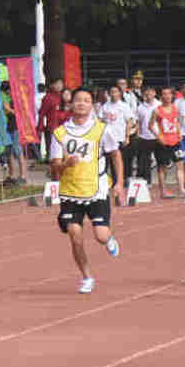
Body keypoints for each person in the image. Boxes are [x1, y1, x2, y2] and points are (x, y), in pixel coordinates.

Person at [49, 87, 124, 294]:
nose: (81, 103)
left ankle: (108, 239)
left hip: (96, 189)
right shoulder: (60, 133)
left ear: (92, 105)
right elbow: (54, 166)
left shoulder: (102, 130)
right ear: (70, 104)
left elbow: (115, 154)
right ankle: (86, 276)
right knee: (75, 235)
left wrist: (119, 183)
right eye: (78, 100)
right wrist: (66, 164)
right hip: (70, 191)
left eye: (86, 100)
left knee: (100, 236)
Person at [150, 86, 185, 199]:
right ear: (161, 96)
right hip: (163, 143)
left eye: (169, 94)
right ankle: (163, 191)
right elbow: (150, 125)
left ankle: (182, 189)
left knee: (180, 165)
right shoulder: (157, 110)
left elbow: (176, 122)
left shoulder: (175, 108)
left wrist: (179, 133)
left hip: (176, 141)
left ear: (172, 95)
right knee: (163, 167)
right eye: (164, 94)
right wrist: (158, 137)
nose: (167, 96)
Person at [97, 85, 134, 190]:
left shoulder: (124, 106)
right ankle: (108, 183)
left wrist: (127, 136)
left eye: (116, 92)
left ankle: (120, 182)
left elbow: (129, 121)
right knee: (107, 163)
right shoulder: (105, 106)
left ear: (120, 93)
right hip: (107, 139)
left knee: (119, 162)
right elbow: (100, 120)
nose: (114, 94)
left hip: (119, 138)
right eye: (112, 92)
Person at [133, 86, 159, 183]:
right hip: (144, 136)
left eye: (150, 92)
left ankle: (162, 183)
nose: (148, 95)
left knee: (161, 161)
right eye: (146, 93)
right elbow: (138, 122)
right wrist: (138, 134)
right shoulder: (140, 107)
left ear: (154, 93)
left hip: (157, 136)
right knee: (144, 161)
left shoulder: (159, 105)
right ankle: (146, 181)